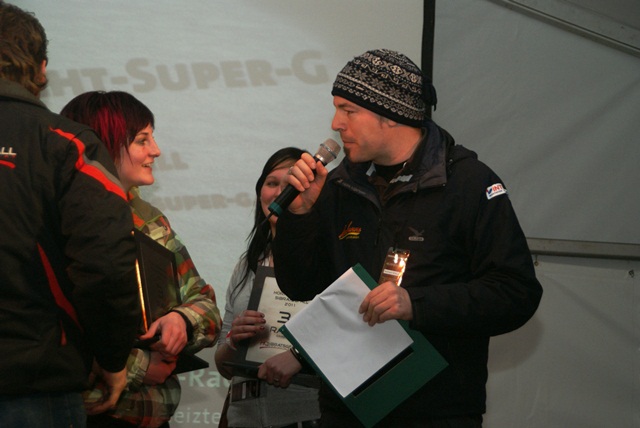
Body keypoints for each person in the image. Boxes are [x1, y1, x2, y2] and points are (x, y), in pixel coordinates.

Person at [272, 49, 543, 427]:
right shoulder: (340, 185)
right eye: (336, 109)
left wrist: (416, 303)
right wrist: (300, 217)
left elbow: (516, 292)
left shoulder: (468, 183)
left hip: (437, 413)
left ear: (391, 115)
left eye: (349, 110)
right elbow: (300, 285)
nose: (336, 124)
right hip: (345, 410)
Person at [0, 3, 141, 427]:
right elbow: (105, 265)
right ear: (42, 69)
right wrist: (113, 358)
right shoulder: (68, 144)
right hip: (31, 381)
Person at [60, 91, 222, 428]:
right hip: (84, 415)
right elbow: (50, 331)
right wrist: (136, 366)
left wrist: (181, 321)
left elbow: (205, 302)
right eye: (142, 140)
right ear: (103, 145)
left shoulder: (150, 219)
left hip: (152, 417)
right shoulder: (57, 222)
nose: (156, 150)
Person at [214, 147, 321, 428]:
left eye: (291, 184)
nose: (280, 193)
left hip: (306, 416)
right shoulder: (246, 265)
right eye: (272, 183)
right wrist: (234, 342)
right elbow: (223, 366)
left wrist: (299, 356)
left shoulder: (325, 260)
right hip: (242, 418)